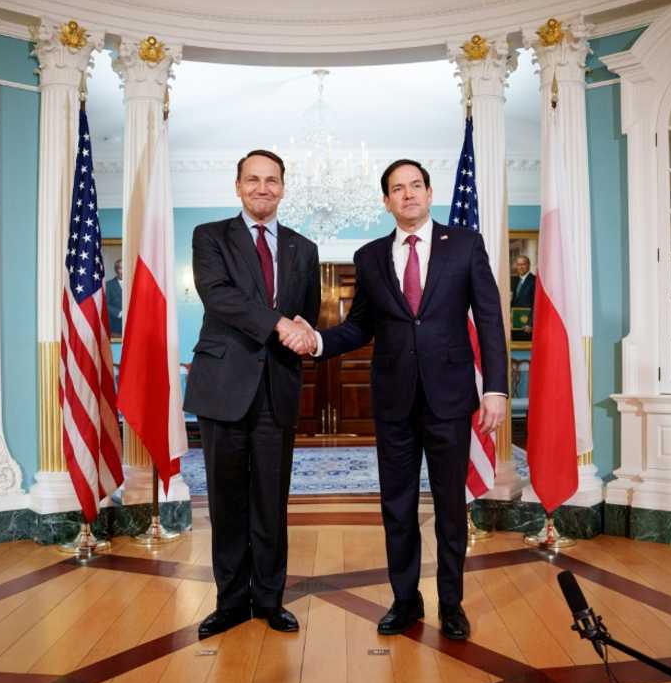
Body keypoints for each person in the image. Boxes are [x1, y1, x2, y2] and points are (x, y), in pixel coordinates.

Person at [287, 159, 507, 641]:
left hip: (451, 399)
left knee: (450, 508)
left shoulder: (465, 245)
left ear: (429, 193)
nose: (407, 195)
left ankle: (452, 604)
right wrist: (319, 342)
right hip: (393, 402)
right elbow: (360, 325)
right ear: (386, 201)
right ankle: (406, 600)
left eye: (415, 186)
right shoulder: (368, 257)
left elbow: (489, 319)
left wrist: (494, 387)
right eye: (396, 189)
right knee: (398, 506)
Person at [183, 149, 320, 639]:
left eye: (272, 180)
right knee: (225, 500)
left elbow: (307, 314)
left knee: (270, 501)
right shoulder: (210, 237)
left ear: (284, 187)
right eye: (253, 180)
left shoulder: (304, 249)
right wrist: (281, 323)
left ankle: (269, 600)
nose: (263, 188)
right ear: (238, 186)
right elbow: (219, 296)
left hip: (276, 389)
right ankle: (230, 602)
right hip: (222, 387)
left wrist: (302, 330)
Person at [105, 258, 123, 336]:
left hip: (134, 326)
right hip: (116, 327)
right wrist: (119, 313)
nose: (124, 271)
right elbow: (105, 304)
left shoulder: (134, 283)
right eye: (121, 268)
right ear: (116, 270)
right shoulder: (108, 285)